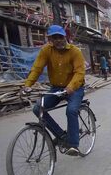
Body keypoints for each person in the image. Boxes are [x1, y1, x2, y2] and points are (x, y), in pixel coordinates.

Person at [22, 25, 85, 156]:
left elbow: (79, 73)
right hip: (56, 88)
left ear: (65, 37)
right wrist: (28, 85)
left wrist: (70, 87)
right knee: (37, 109)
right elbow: (37, 68)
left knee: (71, 110)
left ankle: (73, 145)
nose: (58, 40)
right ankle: (61, 135)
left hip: (75, 88)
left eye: (60, 37)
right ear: (50, 39)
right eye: (54, 38)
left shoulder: (75, 52)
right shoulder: (46, 50)